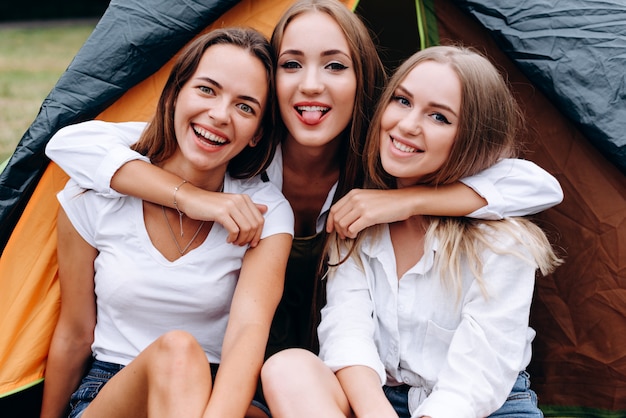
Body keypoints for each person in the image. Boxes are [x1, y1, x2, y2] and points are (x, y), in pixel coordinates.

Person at [46, 0, 562, 359]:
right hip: (237, 363)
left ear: (363, 81)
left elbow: (535, 185)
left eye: (335, 66)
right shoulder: (236, 152)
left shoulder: (384, 164)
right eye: (291, 64)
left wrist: (404, 203)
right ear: (271, 81)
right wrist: (194, 199)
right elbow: (72, 143)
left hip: (345, 366)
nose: (310, 85)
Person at [260, 45, 563, 418]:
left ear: (471, 137)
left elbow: (479, 372)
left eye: (439, 117)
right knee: (287, 368)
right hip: (383, 399)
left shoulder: (500, 241)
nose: (407, 125)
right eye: (402, 101)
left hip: (482, 404)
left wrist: (410, 201)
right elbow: (346, 332)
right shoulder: (360, 226)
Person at [40, 28, 293, 418]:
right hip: (112, 390)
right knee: (176, 349)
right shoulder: (94, 193)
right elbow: (75, 334)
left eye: (245, 107)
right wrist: (193, 198)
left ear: (258, 132)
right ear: (175, 94)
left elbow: (247, 334)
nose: (220, 115)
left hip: (219, 393)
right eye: (207, 90)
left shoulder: (263, 211)